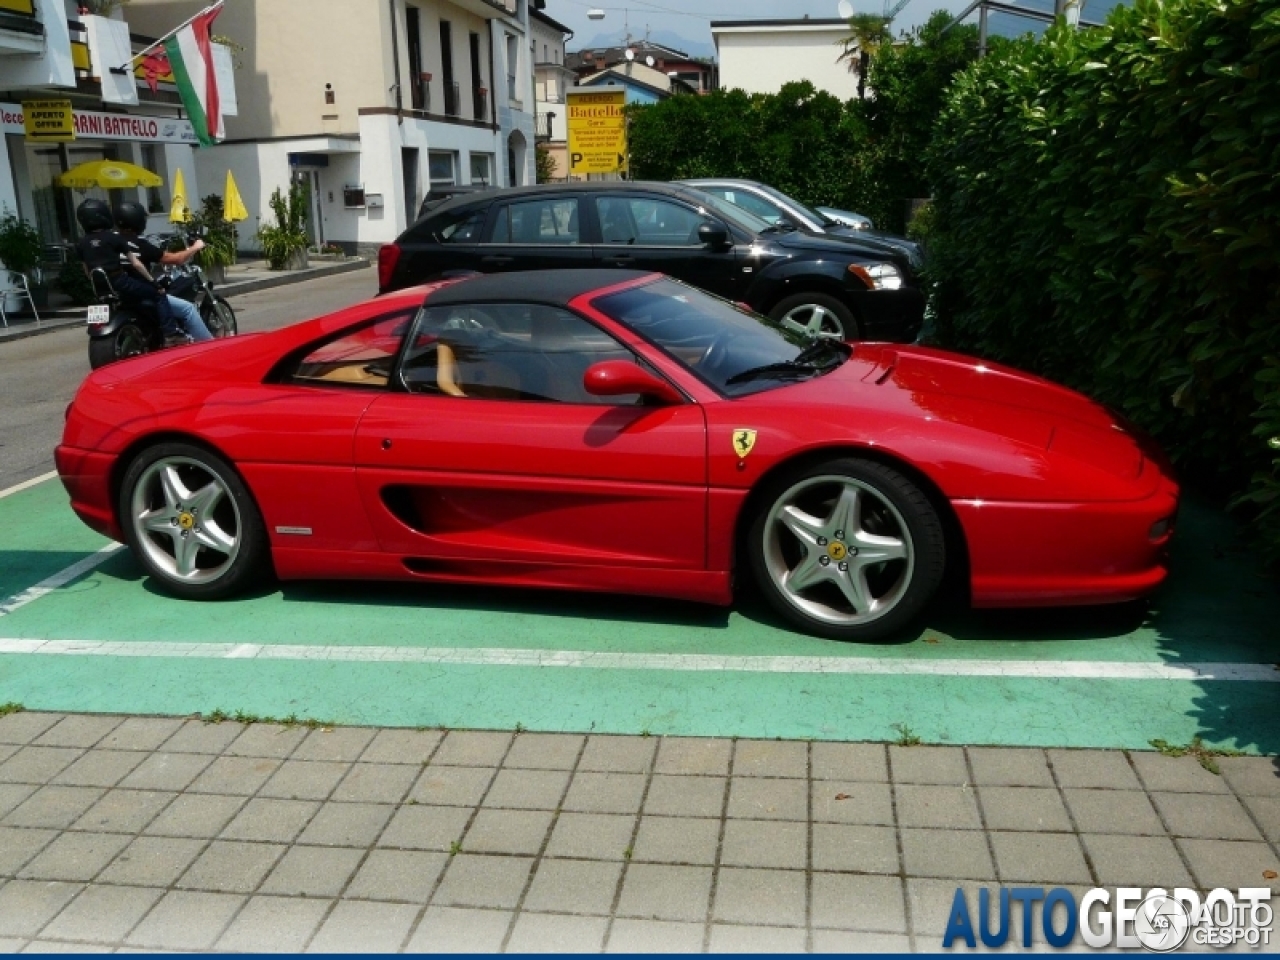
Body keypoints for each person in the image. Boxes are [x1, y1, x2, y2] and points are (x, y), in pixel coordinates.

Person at [75, 198, 182, 343]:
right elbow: (136, 264)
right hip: (120, 281)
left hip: (99, 288)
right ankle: (171, 334)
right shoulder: (114, 238)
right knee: (158, 296)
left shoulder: (81, 243)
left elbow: (86, 270)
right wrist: (154, 284)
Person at [112, 201, 213, 342]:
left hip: (117, 292)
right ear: (138, 220)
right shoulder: (139, 244)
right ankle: (209, 346)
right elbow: (176, 259)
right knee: (188, 309)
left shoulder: (110, 242)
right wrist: (195, 247)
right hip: (140, 294)